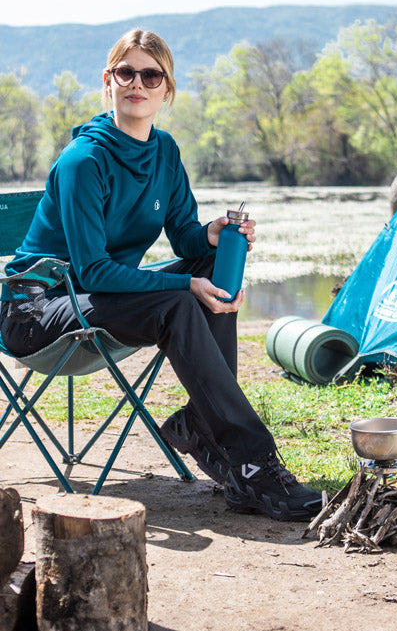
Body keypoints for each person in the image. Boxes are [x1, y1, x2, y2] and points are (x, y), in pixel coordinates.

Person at [0, 28, 322, 521]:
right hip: (35, 310)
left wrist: (213, 235)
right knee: (177, 299)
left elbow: (185, 239)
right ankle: (251, 462)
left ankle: (203, 428)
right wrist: (183, 284)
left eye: (151, 76)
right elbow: (94, 270)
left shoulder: (164, 152)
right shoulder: (83, 161)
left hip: (97, 300)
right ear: (108, 81)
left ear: (166, 89)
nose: (137, 83)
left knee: (209, 266)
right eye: (125, 72)